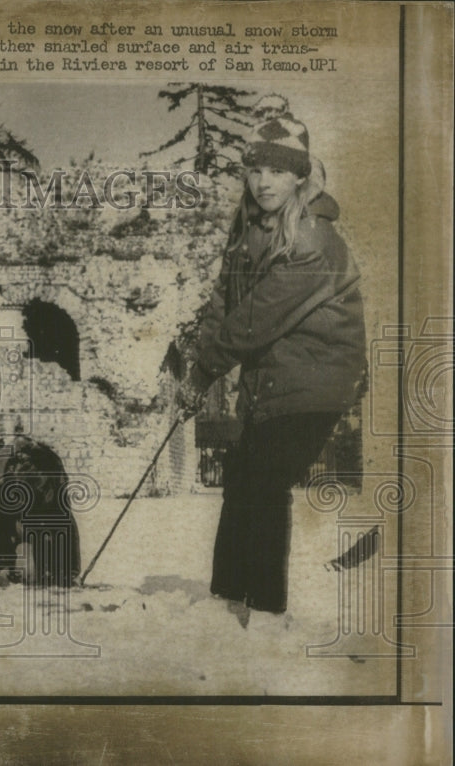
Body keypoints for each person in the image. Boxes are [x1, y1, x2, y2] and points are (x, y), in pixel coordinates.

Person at [176, 114, 366, 617]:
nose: (264, 182)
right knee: (242, 476)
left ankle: (260, 611)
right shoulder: (250, 226)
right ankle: (226, 603)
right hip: (273, 380)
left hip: (316, 377)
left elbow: (257, 318)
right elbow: (225, 298)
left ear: (302, 175)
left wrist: (204, 371)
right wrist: (202, 360)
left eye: (279, 171)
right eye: (256, 169)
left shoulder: (312, 240)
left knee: (262, 479)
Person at [0, 435, 81, 588]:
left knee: (39, 571)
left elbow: (63, 522)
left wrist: (67, 572)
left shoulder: (51, 470)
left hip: (37, 515)